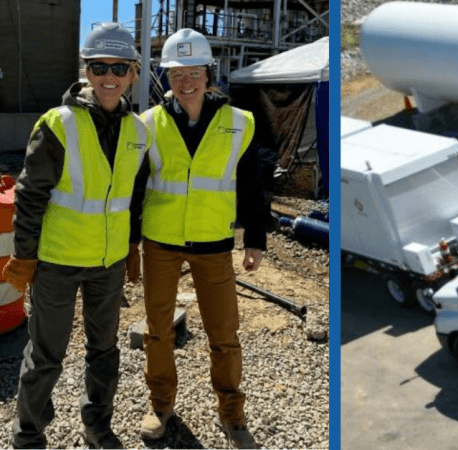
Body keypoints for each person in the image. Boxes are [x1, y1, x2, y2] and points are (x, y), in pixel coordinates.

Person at [3, 23, 149, 449]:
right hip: (57, 263)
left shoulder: (139, 132)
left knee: (104, 353)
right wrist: (25, 257)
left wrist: (130, 246)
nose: (109, 75)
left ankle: (97, 426)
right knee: (46, 357)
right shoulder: (58, 124)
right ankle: (28, 436)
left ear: (133, 73)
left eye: (119, 67)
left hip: (107, 265)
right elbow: (30, 197)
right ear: (86, 70)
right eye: (99, 66)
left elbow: (132, 198)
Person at [134, 28, 274, 449]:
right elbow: (136, 186)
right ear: (167, 78)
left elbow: (254, 183)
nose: (186, 82)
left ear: (208, 73)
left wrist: (256, 238)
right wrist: (127, 242)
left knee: (224, 333)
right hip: (160, 242)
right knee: (158, 329)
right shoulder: (149, 124)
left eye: (194, 72)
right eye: (177, 74)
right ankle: (161, 406)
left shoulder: (239, 122)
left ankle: (232, 416)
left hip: (213, 243)